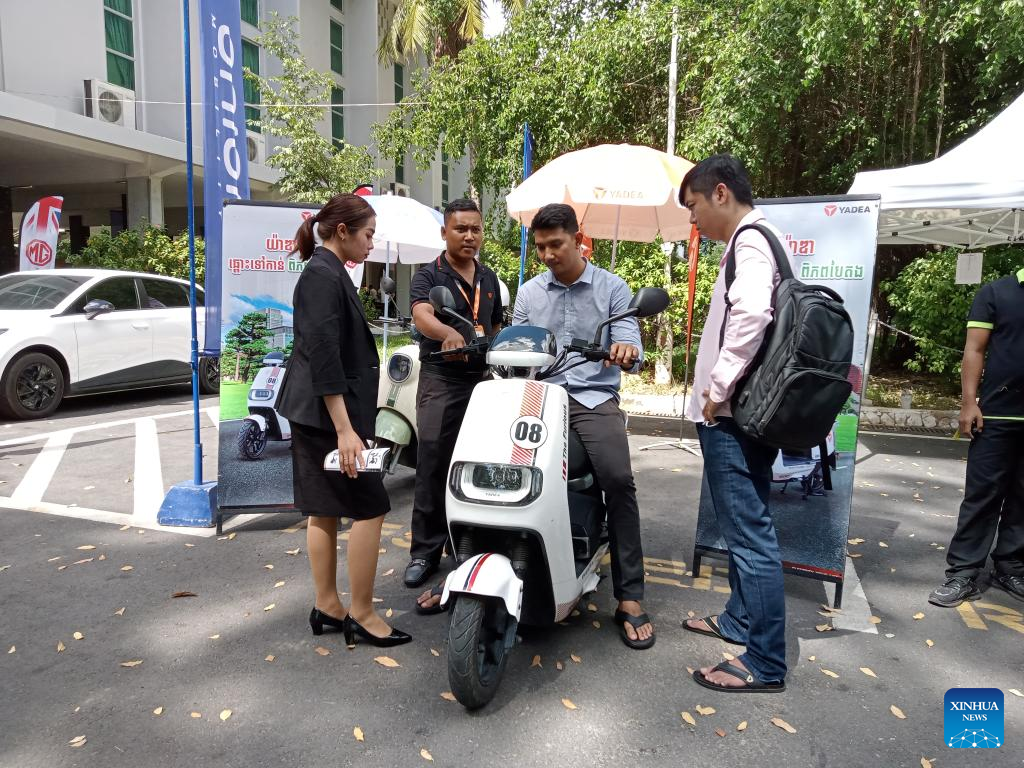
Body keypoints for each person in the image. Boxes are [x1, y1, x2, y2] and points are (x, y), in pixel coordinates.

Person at [495, 202, 655, 649]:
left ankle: (630, 597)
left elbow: (630, 342)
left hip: (590, 398)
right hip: (535, 397)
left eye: (555, 245)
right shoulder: (528, 293)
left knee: (619, 480)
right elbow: (513, 349)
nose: (547, 254)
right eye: (540, 246)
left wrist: (623, 350)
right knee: (495, 469)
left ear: (577, 238)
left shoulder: (613, 288)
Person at [276, 193, 412, 648]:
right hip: (327, 417)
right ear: (342, 231)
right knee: (370, 507)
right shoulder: (321, 275)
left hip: (319, 414)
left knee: (324, 508)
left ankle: (329, 605)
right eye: (368, 234)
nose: (371, 244)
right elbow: (323, 357)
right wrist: (345, 430)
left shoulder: (328, 272)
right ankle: (363, 613)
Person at [679, 154, 786, 692]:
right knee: (750, 524)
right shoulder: (756, 240)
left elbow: (749, 316)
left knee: (749, 535)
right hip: (746, 415)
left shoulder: (749, 240)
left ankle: (765, 661)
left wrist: (716, 391)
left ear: (720, 193)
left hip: (733, 416)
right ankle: (741, 620)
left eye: (694, 206)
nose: (693, 220)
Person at [403, 198, 504, 590]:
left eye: (475, 229)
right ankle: (424, 552)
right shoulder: (429, 275)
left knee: (481, 465)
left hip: (481, 380)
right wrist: (447, 333)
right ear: (444, 232)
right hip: (442, 380)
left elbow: (494, 325)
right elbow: (422, 314)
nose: (469, 236)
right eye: (460, 228)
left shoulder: (490, 278)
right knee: (433, 463)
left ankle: (468, 545)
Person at [928, 267, 1024, 607]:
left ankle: (1010, 566)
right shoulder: (997, 293)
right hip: (996, 413)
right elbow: (975, 349)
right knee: (982, 495)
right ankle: (963, 573)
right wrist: (969, 402)